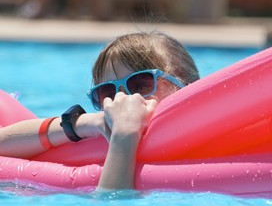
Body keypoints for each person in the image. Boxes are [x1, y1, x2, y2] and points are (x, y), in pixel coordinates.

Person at [0, 31, 200, 191]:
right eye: (107, 92)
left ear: (185, 86)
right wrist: (82, 124)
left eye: (140, 84)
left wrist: (124, 136)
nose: (124, 99)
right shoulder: (99, 134)